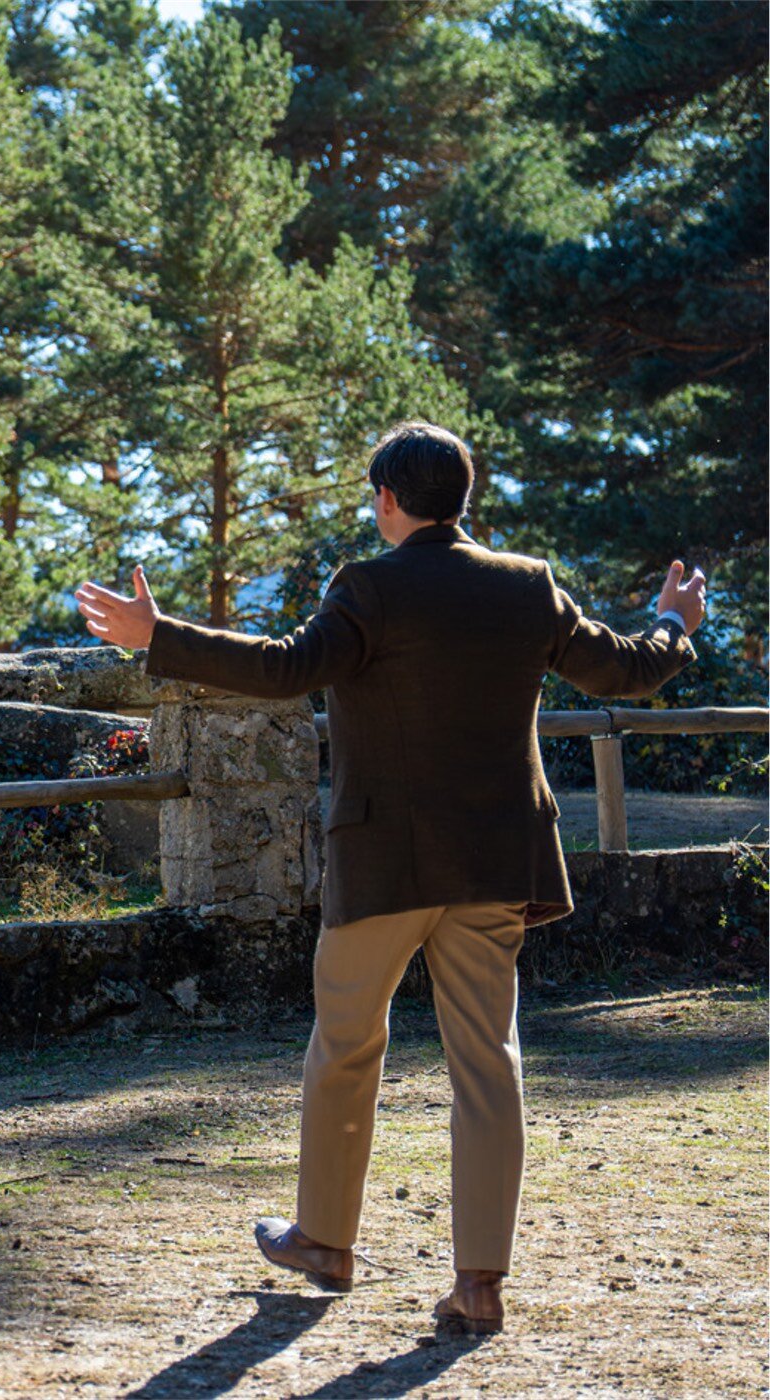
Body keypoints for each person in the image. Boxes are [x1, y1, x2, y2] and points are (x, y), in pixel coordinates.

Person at [75, 421, 705, 1335]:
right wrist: (675, 623)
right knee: (490, 1065)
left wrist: (157, 633)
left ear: (387, 500)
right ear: (462, 497)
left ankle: (326, 1241)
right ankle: (479, 1284)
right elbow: (624, 669)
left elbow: (284, 668)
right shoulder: (527, 586)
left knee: (345, 1047)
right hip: (495, 865)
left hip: (384, 864)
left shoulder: (369, 587)